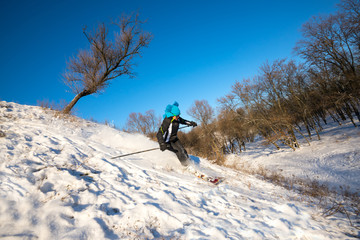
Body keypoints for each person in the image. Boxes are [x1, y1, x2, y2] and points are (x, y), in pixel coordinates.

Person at [157, 101, 197, 166]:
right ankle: (186, 166)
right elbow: (159, 133)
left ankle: (189, 163)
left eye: (179, 115)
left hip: (174, 138)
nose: (178, 117)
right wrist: (162, 143)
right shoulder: (167, 121)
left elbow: (183, 121)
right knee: (179, 151)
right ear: (172, 114)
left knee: (183, 150)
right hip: (167, 141)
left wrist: (191, 123)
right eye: (177, 116)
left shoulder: (177, 118)